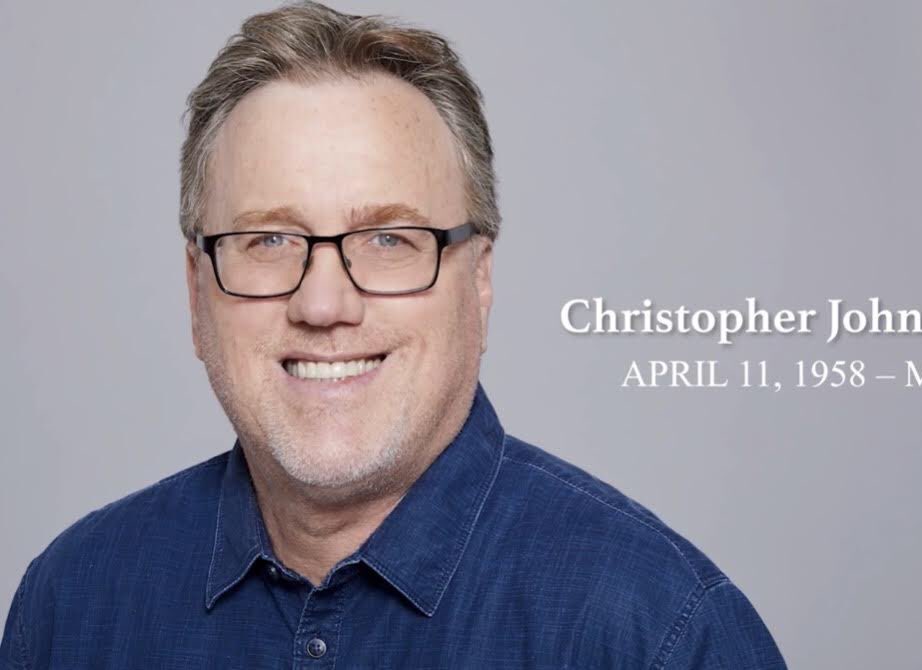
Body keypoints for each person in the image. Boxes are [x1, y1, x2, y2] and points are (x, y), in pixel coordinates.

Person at [0, 2, 785, 667]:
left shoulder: (657, 632)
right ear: (196, 291)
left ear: (479, 281)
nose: (323, 304)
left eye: (388, 239)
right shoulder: (71, 605)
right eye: (268, 239)